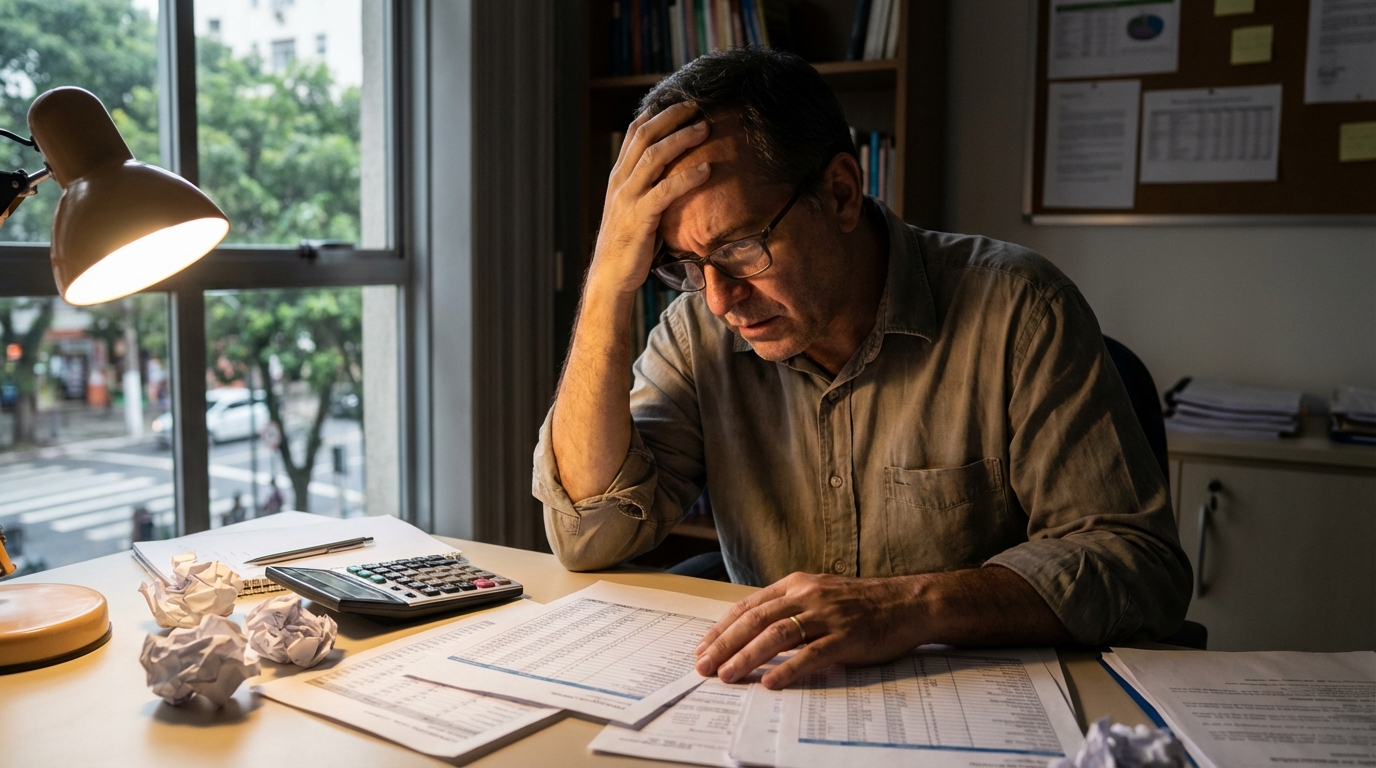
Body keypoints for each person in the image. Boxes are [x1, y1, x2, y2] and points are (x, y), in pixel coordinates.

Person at [534, 49, 1191, 691]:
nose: (719, 299)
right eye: (683, 264)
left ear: (841, 193)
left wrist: (911, 605)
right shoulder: (695, 334)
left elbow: (1137, 564)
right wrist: (607, 282)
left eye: (740, 247)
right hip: (772, 706)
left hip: (981, 707)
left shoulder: (1020, 311)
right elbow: (587, 533)